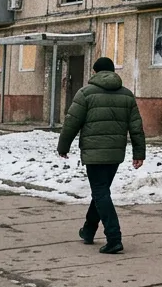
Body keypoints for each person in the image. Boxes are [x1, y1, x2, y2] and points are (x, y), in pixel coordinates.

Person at [57, 57, 146, 255]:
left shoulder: (85, 93)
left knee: (100, 193)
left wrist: (63, 147)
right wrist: (139, 153)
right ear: (113, 72)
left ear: (95, 72)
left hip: (94, 152)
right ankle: (88, 231)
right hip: (115, 154)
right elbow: (136, 127)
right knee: (101, 191)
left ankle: (114, 238)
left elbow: (71, 123)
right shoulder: (127, 95)